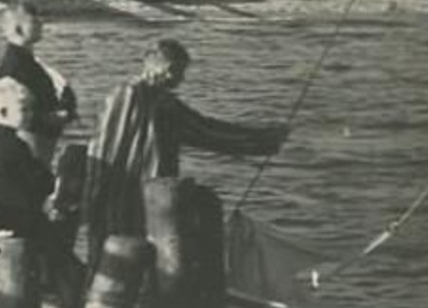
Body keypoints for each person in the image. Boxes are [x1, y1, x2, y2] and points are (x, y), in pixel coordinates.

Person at [82, 39, 288, 272]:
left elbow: (206, 131)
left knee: (144, 260)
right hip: (121, 196)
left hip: (154, 198)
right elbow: (103, 148)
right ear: (165, 68)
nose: (181, 79)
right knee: (110, 259)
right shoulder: (127, 94)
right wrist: (93, 196)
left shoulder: (167, 103)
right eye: (179, 71)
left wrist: (263, 139)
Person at [0, 78, 85, 308]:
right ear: (3, 112)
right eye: (24, 110)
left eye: (30, 109)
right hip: (22, 227)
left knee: (58, 266)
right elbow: (43, 182)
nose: (30, 115)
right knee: (72, 274)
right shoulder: (15, 147)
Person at [0, 1, 77, 163]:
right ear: (18, 30)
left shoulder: (25, 60)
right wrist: (55, 117)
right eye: (34, 21)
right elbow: (16, 115)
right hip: (28, 142)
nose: (41, 23)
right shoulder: (16, 66)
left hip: (37, 140)